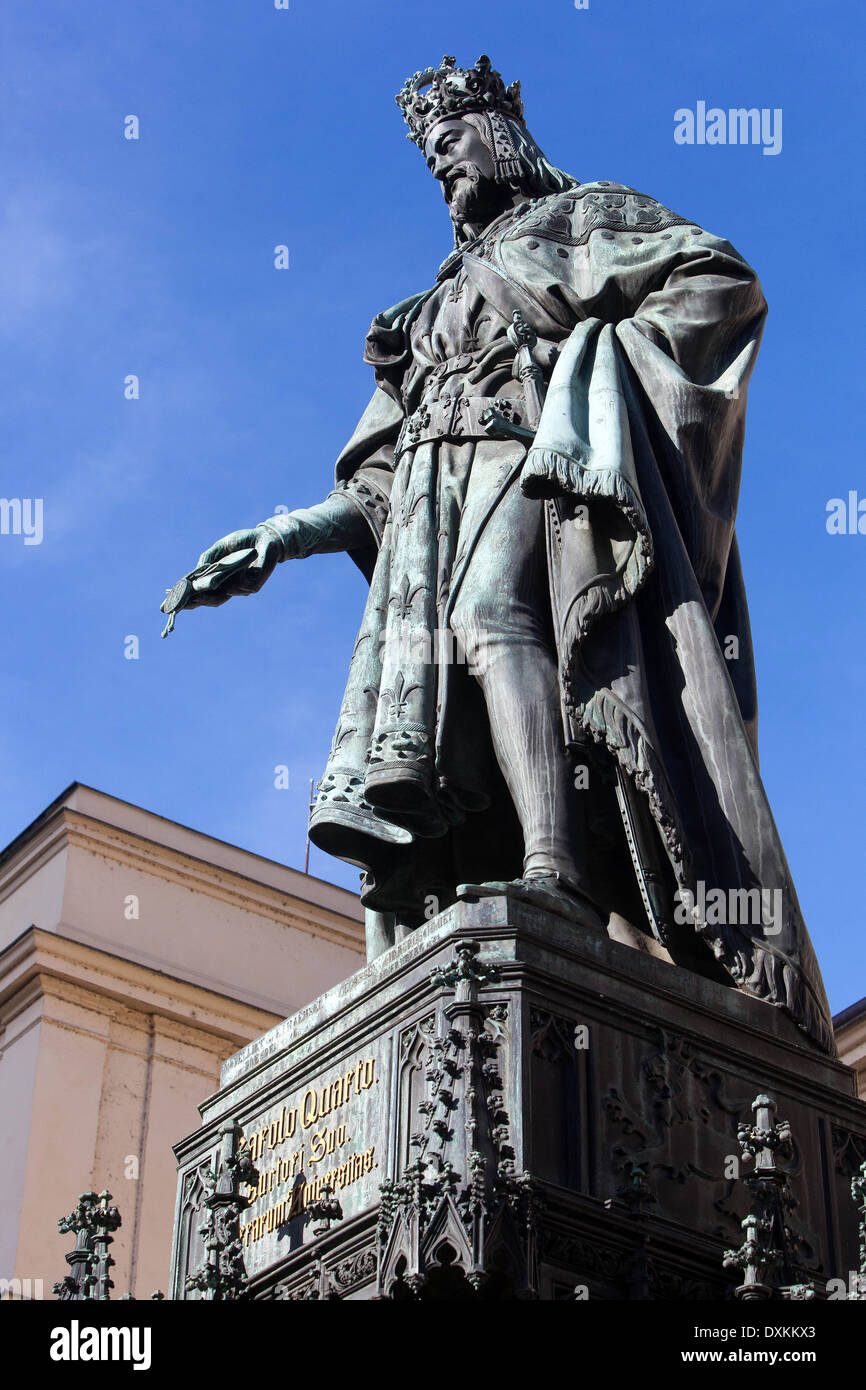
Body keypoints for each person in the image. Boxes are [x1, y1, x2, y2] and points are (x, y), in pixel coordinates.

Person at [171, 55, 833, 1054]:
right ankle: (534, 864)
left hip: (542, 463)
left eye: (454, 139)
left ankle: (553, 864)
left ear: (503, 132)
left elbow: (716, 283)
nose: (442, 161)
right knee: (460, 652)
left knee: (492, 618)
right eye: (429, 154)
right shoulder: (427, 309)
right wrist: (281, 534)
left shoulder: (580, 221)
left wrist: (597, 377)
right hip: (434, 507)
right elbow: (378, 483)